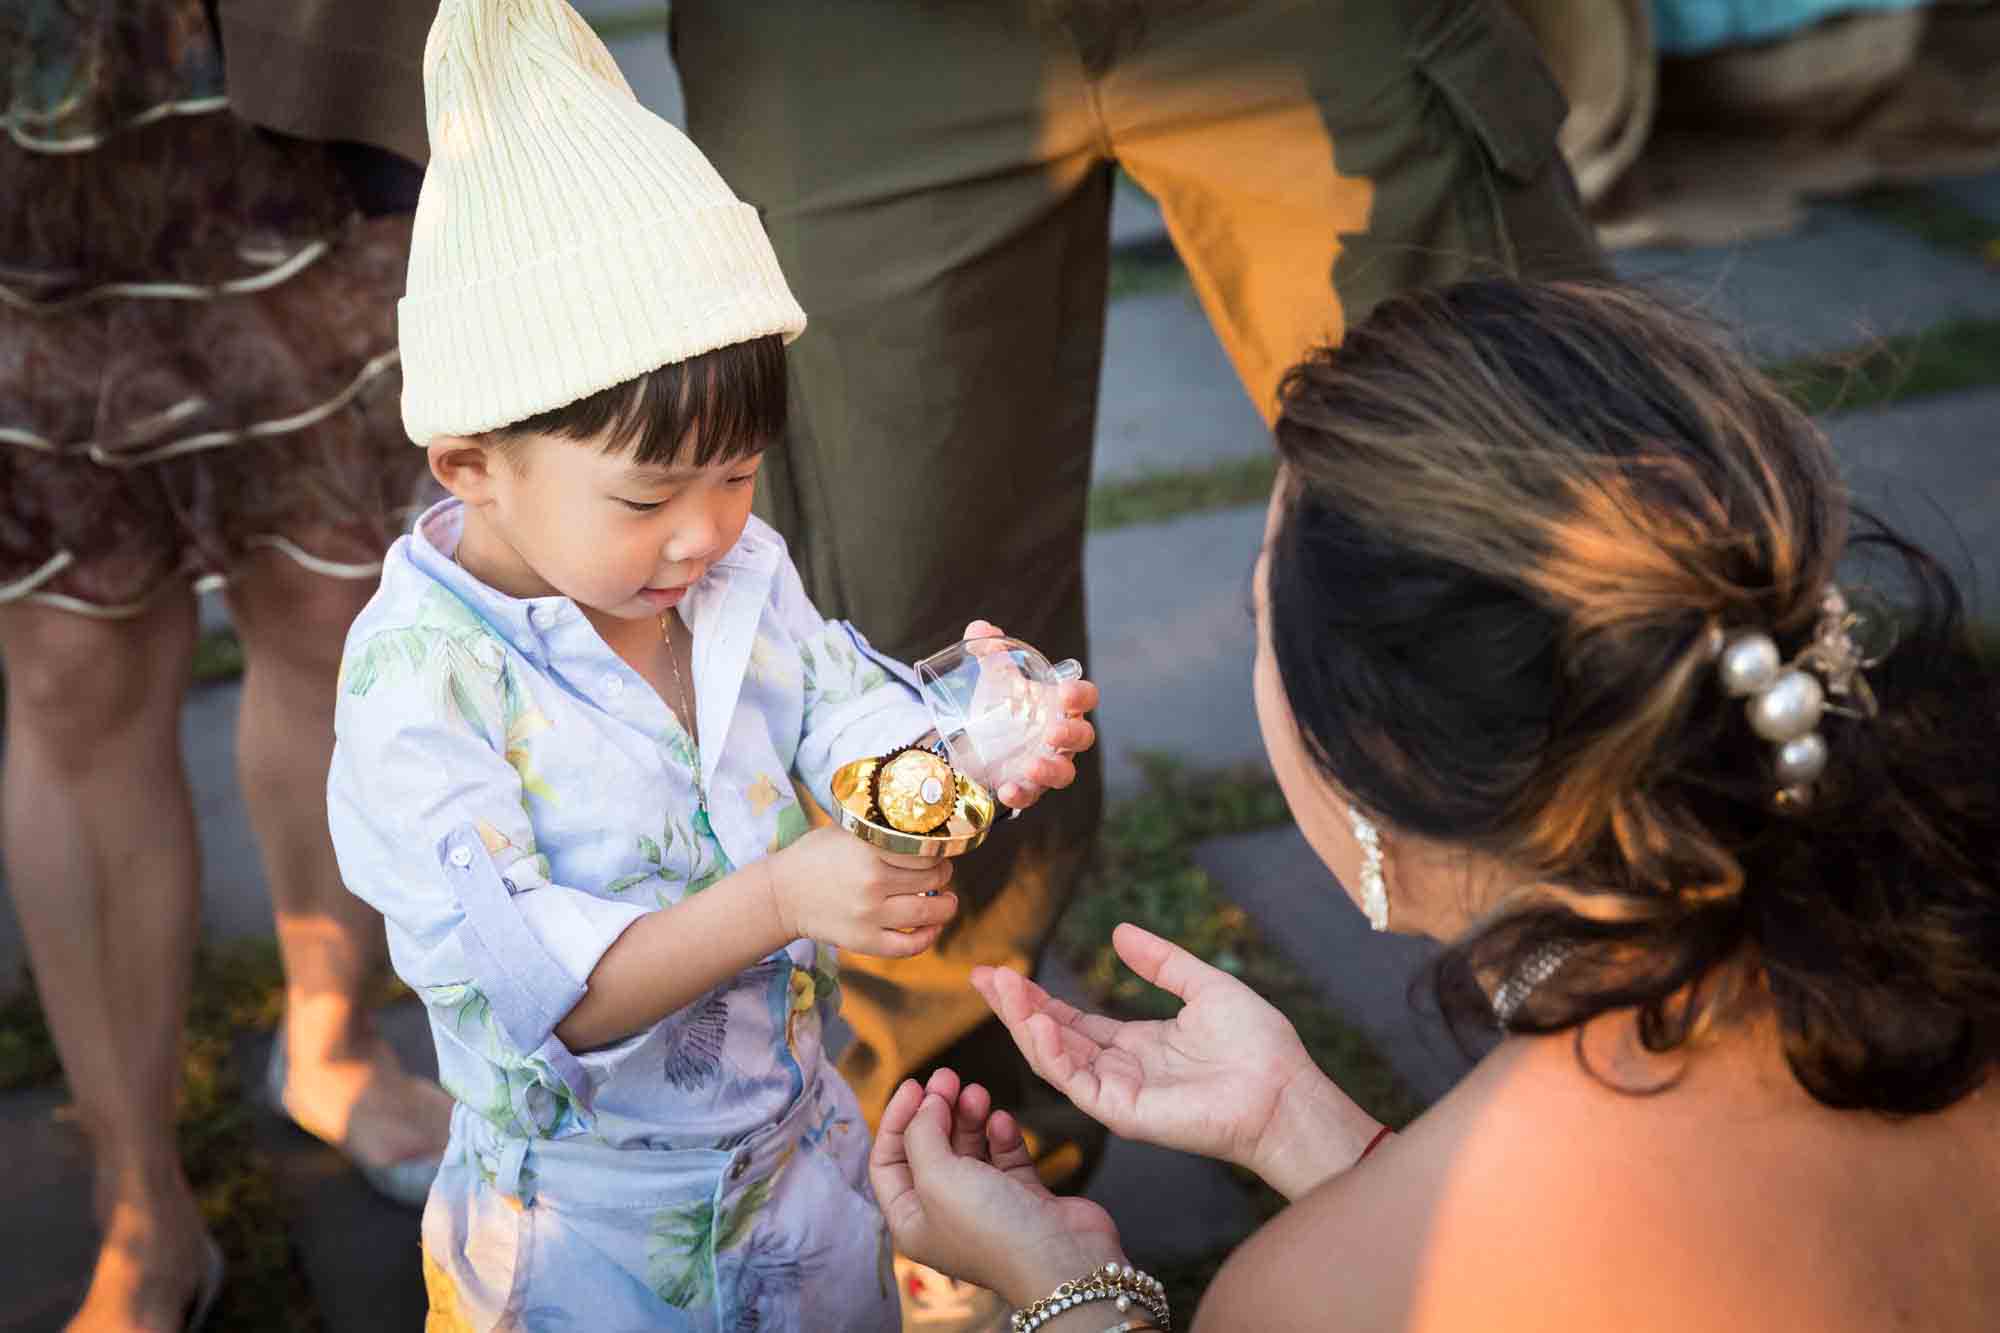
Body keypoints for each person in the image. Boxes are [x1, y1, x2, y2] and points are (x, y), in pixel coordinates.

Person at [867, 278, 2000, 1330]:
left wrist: (1067, 1292)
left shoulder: (1321, 1294)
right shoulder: (1935, 968)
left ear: (1372, 757)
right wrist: (1300, 1131)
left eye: (1267, 629)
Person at [668, 0, 1607, 1173]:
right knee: (886, 636)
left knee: (1522, 529)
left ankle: (1656, 1040)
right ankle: (955, 1123)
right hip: (855, 37)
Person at [324, 2, 1099, 1328]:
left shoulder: (730, 570)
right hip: (581, 1244)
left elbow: (838, 716)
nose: (707, 531)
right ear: (472, 464)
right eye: (649, 498)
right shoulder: (419, 689)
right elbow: (550, 998)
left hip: (802, 1171)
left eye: (739, 475)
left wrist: (962, 743)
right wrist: (789, 894)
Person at [0, 2, 448, 1325]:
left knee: (339, 606)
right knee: (67, 670)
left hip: (302, 79)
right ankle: (140, 1203)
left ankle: (333, 1038)